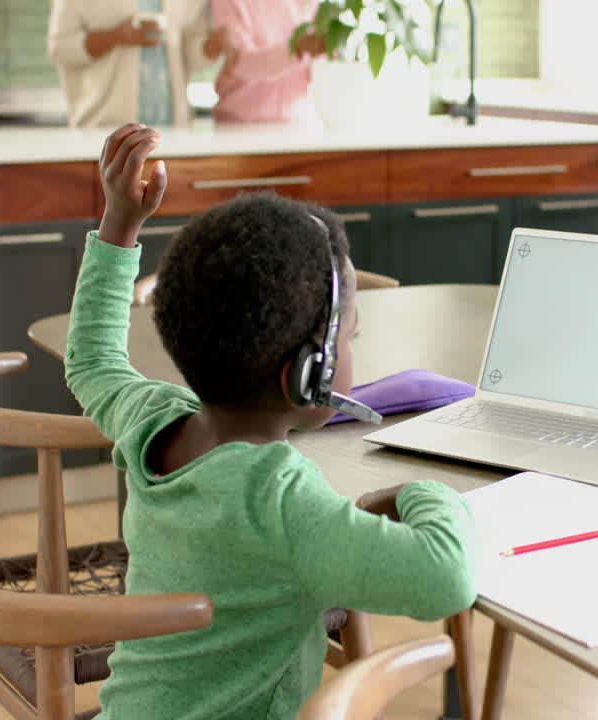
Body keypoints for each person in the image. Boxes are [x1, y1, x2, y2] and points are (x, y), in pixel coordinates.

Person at [66, 123, 479, 719]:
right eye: (350, 339)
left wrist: (120, 223)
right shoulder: (280, 503)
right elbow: (447, 576)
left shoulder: (151, 419)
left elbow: (93, 359)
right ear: (305, 373)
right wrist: (427, 492)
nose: (354, 353)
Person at [48, 0, 232, 127]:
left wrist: (212, 47)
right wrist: (115, 37)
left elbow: (190, 53)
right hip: (102, 129)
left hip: (174, 130)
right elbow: (60, 48)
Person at [210, 0, 325, 122]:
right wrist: (296, 48)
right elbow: (239, 62)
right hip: (239, 123)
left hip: (299, 120)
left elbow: (321, 62)